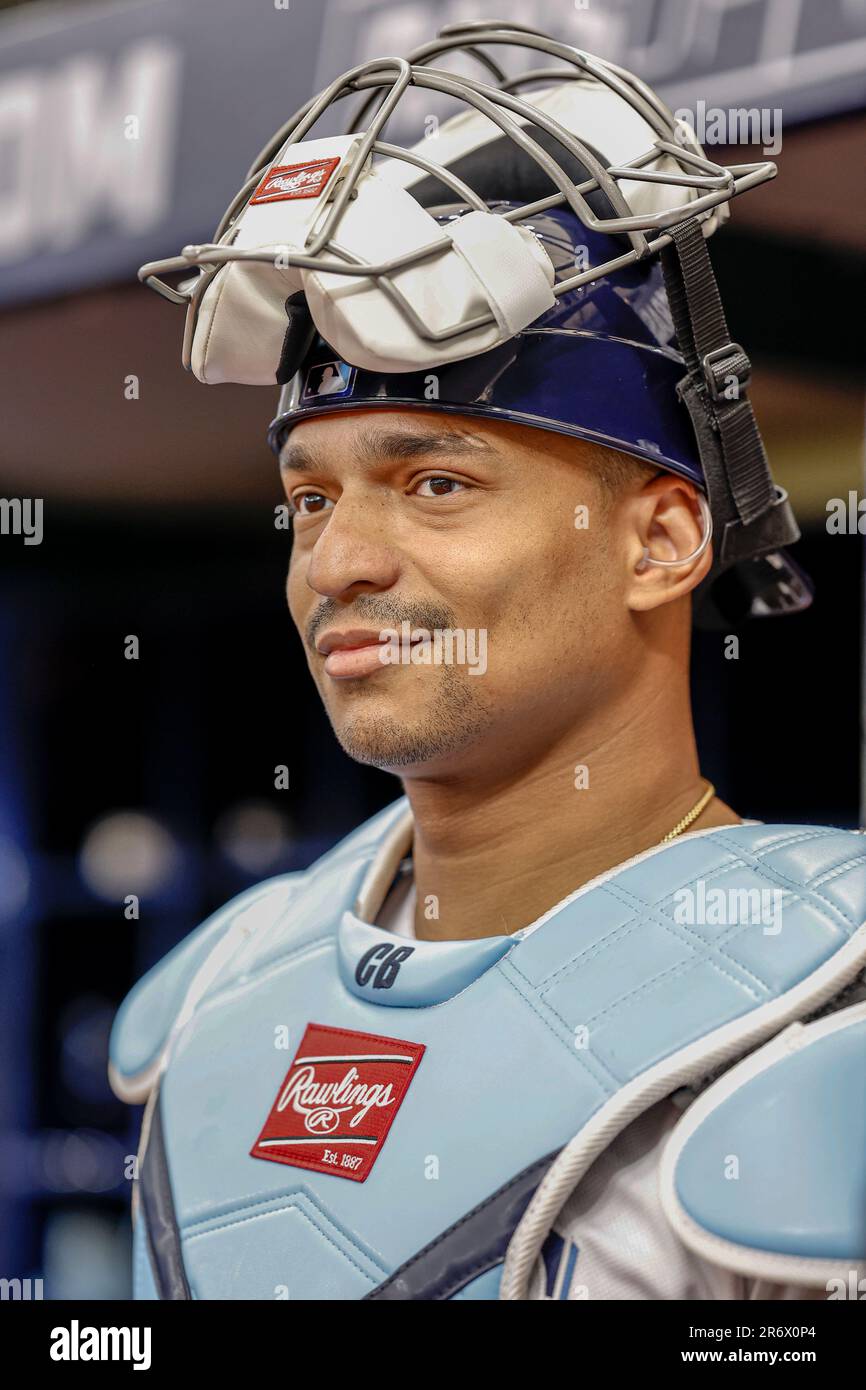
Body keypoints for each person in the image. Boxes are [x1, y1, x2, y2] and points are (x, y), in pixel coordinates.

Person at [112, 21, 866, 1300]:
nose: (337, 560)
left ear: (662, 541)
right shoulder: (214, 1000)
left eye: (436, 480)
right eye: (307, 500)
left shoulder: (820, 1023)